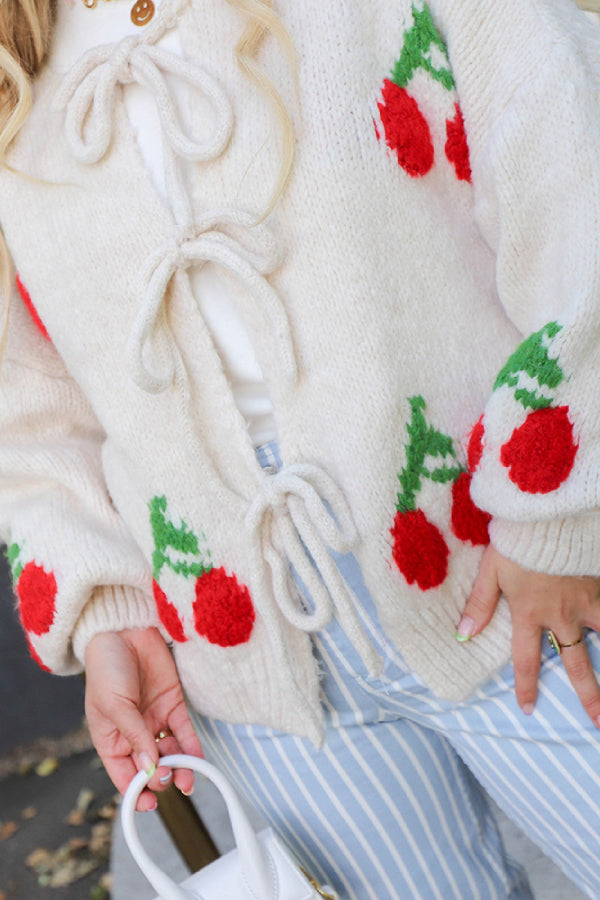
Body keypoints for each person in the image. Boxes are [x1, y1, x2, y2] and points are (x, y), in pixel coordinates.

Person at [1, 0, 600, 896]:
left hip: (508, 566)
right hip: (256, 670)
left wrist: (562, 512)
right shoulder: (14, 84)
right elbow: (33, 413)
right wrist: (108, 611)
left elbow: (572, 179)